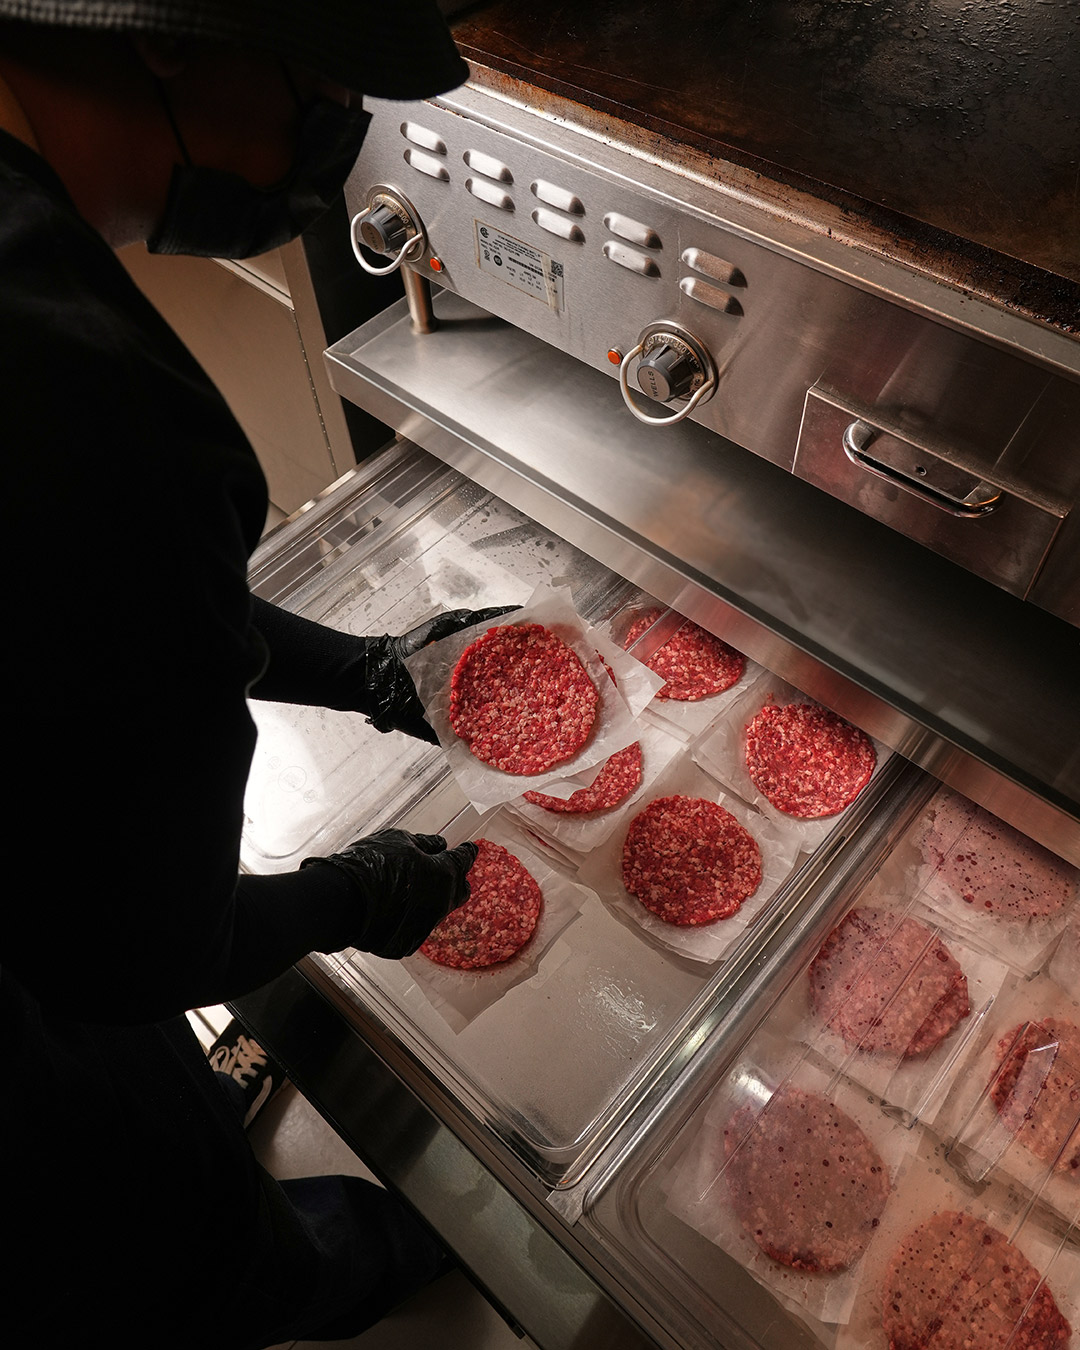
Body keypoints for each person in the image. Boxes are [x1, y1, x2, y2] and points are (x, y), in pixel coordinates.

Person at [0, 3, 508, 1345]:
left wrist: (368, 671)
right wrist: (357, 893)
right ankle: (295, 1272)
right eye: (330, 82)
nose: (334, 133)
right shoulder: (87, 391)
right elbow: (142, 943)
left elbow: (83, 614)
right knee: (136, 1225)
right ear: (170, 36)